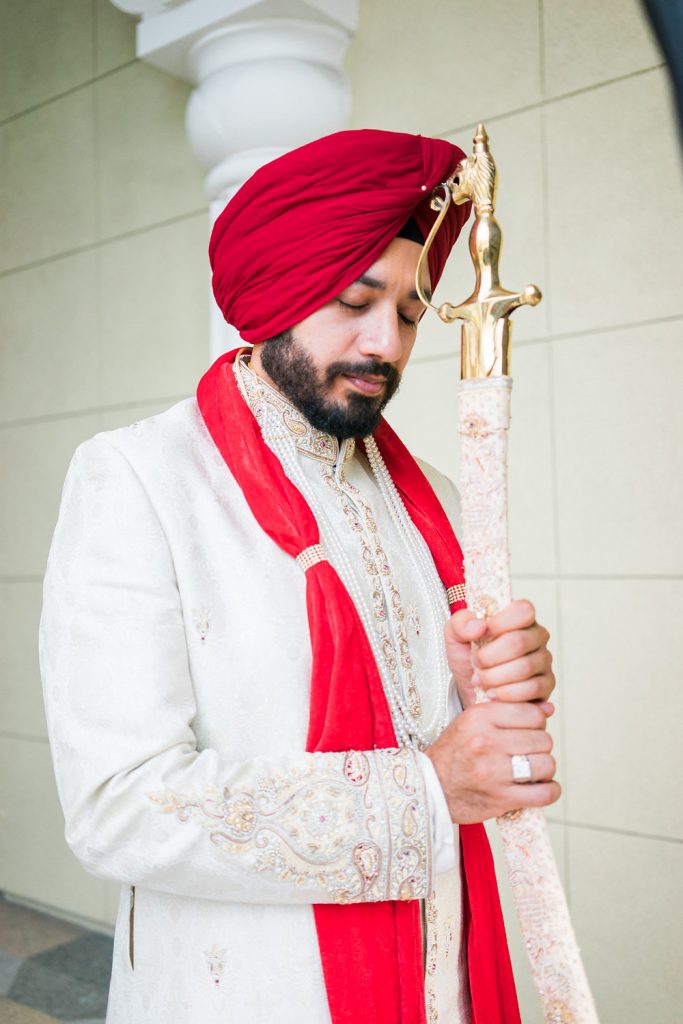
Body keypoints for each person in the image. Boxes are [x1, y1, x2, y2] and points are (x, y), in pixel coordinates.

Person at [40, 130, 559, 1024]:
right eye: (354, 301)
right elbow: (117, 807)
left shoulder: (427, 495)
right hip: (253, 988)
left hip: (444, 976)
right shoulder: (140, 478)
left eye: (407, 310)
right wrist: (429, 787)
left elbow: (456, 736)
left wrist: (491, 689)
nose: (383, 343)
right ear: (274, 294)